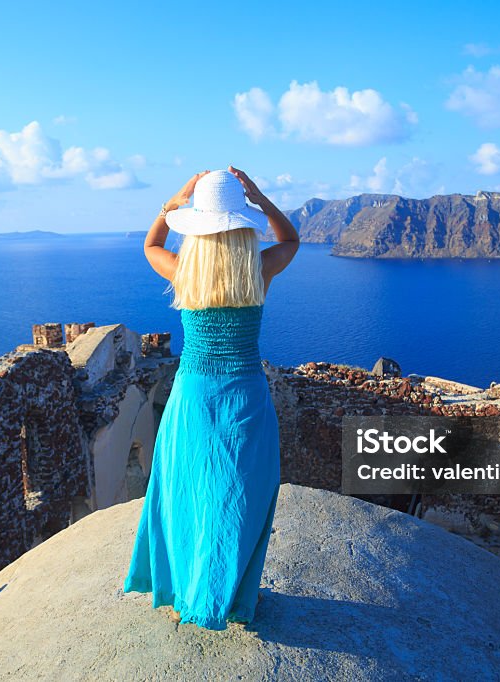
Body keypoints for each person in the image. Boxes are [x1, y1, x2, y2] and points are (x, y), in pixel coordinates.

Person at [122, 166, 300, 630]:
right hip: (245, 395)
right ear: (242, 224)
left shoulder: (184, 271)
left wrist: (171, 203)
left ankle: (185, 593)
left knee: (187, 492)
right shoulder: (258, 270)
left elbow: (149, 245)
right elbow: (291, 240)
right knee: (238, 496)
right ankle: (227, 594)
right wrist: (260, 198)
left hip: (193, 396)